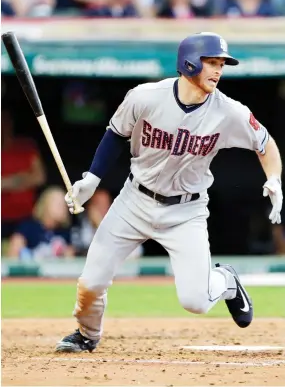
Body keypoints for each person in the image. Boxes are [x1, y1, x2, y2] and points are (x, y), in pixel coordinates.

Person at [56, 32, 283, 353]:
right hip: (134, 201)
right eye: (211, 63)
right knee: (91, 284)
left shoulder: (228, 112)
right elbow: (115, 134)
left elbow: (266, 144)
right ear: (188, 62)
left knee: (196, 301)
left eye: (221, 64)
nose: (218, 71)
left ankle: (227, 281)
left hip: (185, 211)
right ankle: (87, 334)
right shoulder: (145, 97)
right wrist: (92, 179)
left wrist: (274, 178)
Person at [1, 110, 46, 239]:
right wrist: (23, 179)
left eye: (4, 122)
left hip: (26, 218)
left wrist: (5, 182)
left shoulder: (26, 146)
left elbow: (39, 177)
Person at [7, 186, 75, 260]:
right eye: (58, 203)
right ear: (45, 204)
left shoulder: (66, 232)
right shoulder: (28, 227)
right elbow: (13, 256)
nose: (62, 207)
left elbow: (70, 261)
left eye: (64, 204)